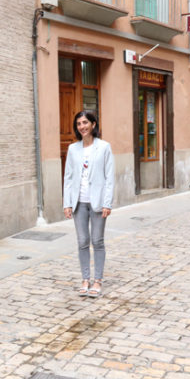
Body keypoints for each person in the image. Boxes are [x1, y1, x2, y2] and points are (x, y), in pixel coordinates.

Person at [63, 111, 115, 298]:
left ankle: (98, 280)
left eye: (85, 122)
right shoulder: (72, 149)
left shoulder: (104, 147)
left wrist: (107, 203)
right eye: (78, 124)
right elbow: (68, 177)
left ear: (93, 124)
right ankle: (85, 279)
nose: (82, 126)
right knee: (82, 242)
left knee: (97, 241)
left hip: (98, 202)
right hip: (79, 203)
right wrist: (67, 203)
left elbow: (109, 177)